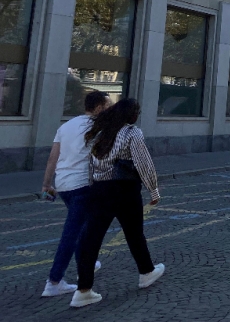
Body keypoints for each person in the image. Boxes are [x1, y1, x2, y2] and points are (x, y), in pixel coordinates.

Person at [71, 99, 164, 308]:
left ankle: (83, 291)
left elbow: (90, 164)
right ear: (131, 114)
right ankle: (146, 272)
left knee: (91, 239)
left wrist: (90, 186)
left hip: (99, 189)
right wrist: (154, 190)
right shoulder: (132, 133)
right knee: (134, 233)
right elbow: (143, 163)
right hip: (124, 189)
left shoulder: (100, 132)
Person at [39, 91, 110, 298]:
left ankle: (87, 262)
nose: (109, 110)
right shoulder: (98, 128)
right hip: (83, 185)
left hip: (63, 186)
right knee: (71, 233)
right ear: (98, 108)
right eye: (107, 106)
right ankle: (54, 281)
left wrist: (46, 183)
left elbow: (53, 158)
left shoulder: (66, 126)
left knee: (81, 227)